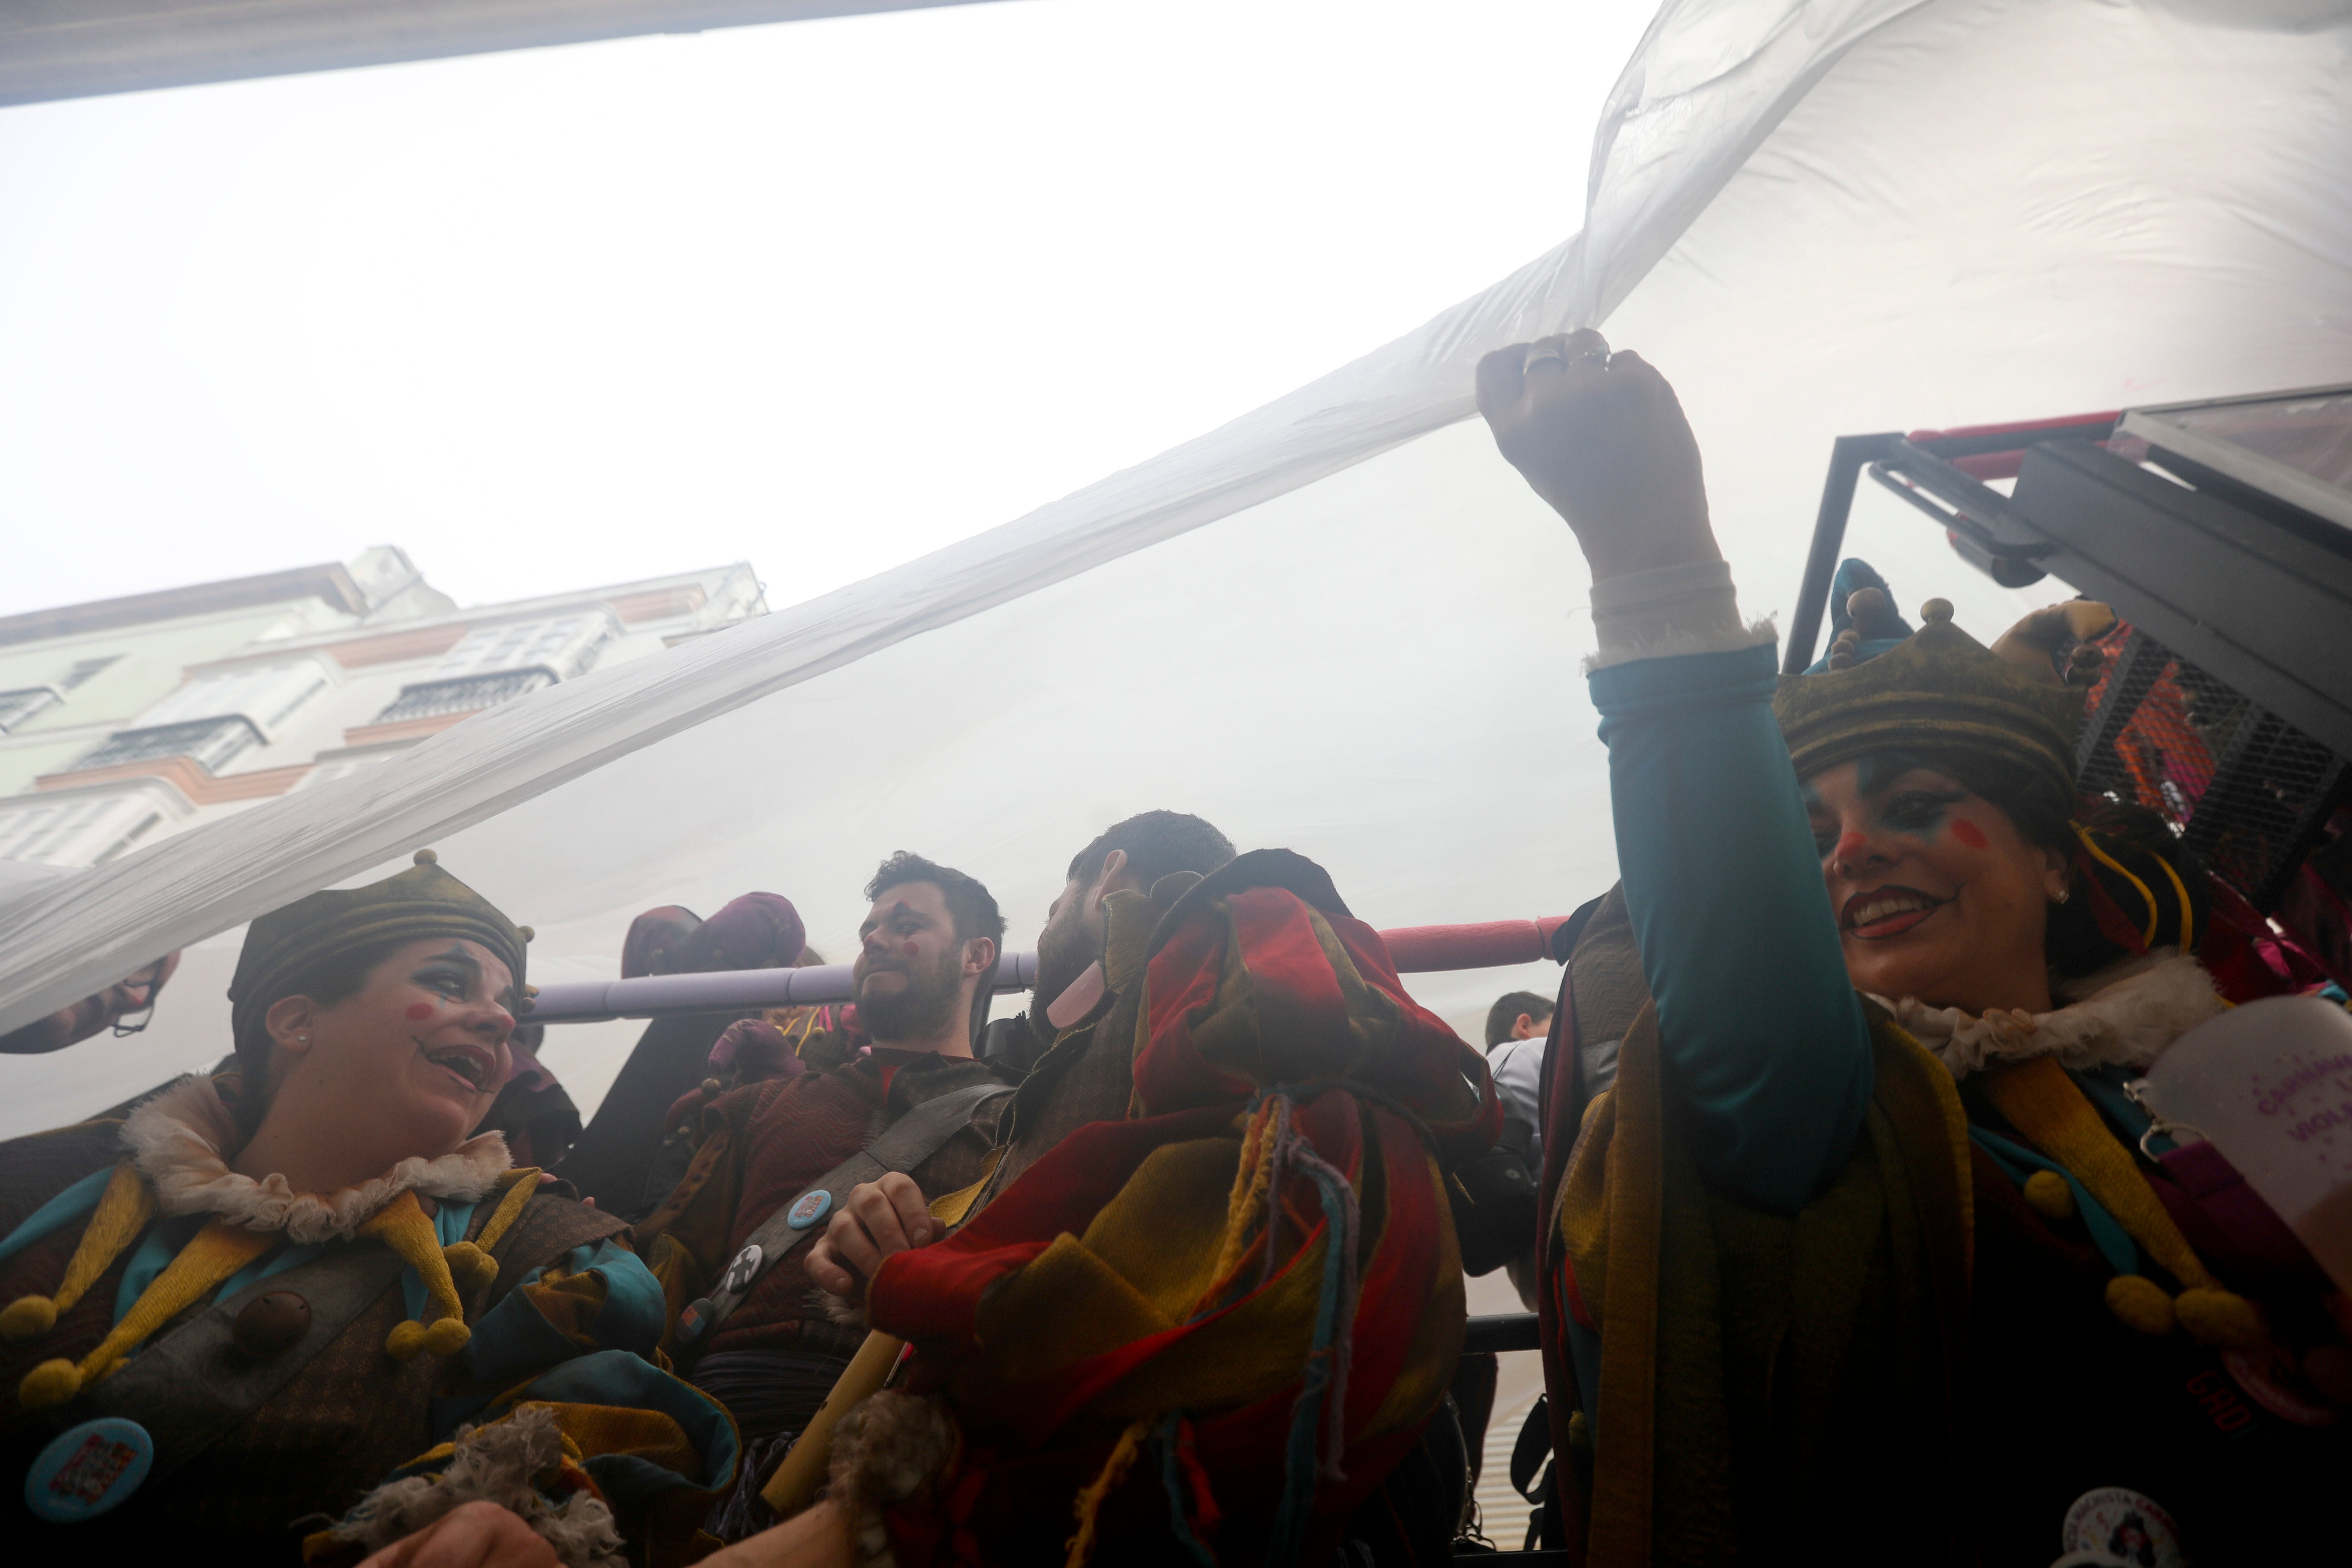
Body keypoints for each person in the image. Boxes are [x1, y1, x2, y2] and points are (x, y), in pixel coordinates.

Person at [1478, 328, 2349, 1562]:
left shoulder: (2246, 1065)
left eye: (1910, 804)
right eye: (1814, 832)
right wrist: (1650, 560)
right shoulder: (1845, 1116)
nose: (1850, 851)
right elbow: (1750, 1021)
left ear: (2056, 858)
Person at [722, 845, 1502, 1568]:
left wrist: (914, 1282)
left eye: (1056, 907)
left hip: (973, 1472)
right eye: (869, 928)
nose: (1048, 928)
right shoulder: (1108, 1069)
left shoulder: (1135, 1051)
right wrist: (892, 1248)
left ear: (1109, 876)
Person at [0, 851, 734, 1563]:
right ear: (295, 1020)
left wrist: (515, 1514)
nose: (500, 1022)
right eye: (451, 983)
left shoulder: (545, 1245)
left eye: (507, 1007)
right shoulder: (51, 1178)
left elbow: (626, 1438)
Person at [631, 853, 1020, 1540]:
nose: (873, 937)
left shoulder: (1023, 1118)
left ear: (976, 953)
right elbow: (664, 1268)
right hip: (700, 1434)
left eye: (905, 923)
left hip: (907, 1450)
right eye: (869, 926)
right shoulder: (755, 1104)